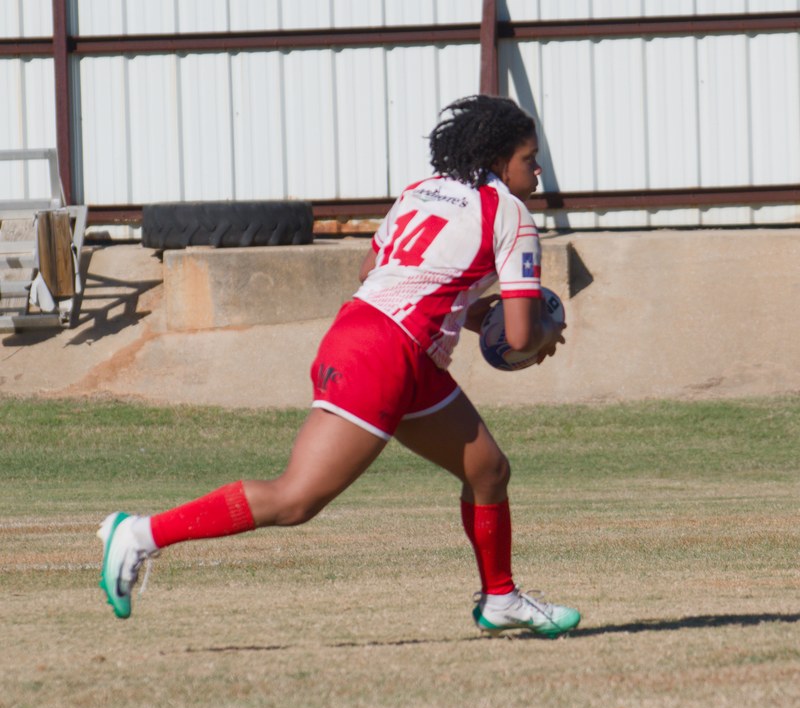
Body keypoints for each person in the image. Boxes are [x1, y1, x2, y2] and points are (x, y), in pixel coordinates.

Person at [97, 94, 580, 638]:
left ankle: (501, 598)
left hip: (382, 340)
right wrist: (545, 331)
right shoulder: (511, 214)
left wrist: (465, 316)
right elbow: (517, 337)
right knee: (296, 498)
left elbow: (373, 268)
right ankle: (139, 534)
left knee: (487, 470)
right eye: (528, 158)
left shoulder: (421, 192)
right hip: (384, 353)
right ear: (497, 161)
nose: (537, 169)